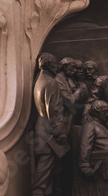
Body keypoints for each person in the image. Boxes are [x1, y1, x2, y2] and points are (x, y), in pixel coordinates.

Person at [32, 53, 69, 196]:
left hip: (41, 129)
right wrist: (60, 133)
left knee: (48, 174)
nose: (57, 66)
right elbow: (54, 110)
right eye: (54, 64)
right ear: (47, 64)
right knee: (42, 175)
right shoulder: (51, 82)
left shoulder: (38, 81)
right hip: (49, 135)